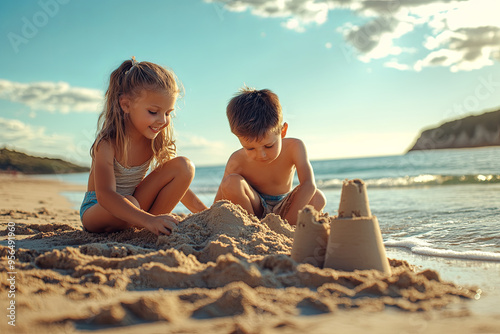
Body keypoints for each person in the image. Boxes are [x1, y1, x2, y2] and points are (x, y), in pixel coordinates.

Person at [81, 57, 207, 235]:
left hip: (136, 206)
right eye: (153, 112)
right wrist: (147, 219)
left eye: (168, 113)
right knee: (131, 203)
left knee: (184, 166)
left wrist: (206, 214)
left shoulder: (154, 140)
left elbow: (178, 185)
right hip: (98, 210)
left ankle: (151, 225)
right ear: (126, 105)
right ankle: (148, 223)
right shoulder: (108, 143)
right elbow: (106, 196)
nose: (163, 121)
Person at [214, 86, 326, 225]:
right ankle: (251, 227)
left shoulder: (294, 147)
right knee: (231, 182)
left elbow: (308, 184)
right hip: (254, 208)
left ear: (283, 131)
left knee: (318, 197)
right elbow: (218, 202)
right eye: (250, 148)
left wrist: (283, 225)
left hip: (286, 205)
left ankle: (288, 225)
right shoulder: (237, 160)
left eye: (269, 146)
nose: (261, 154)